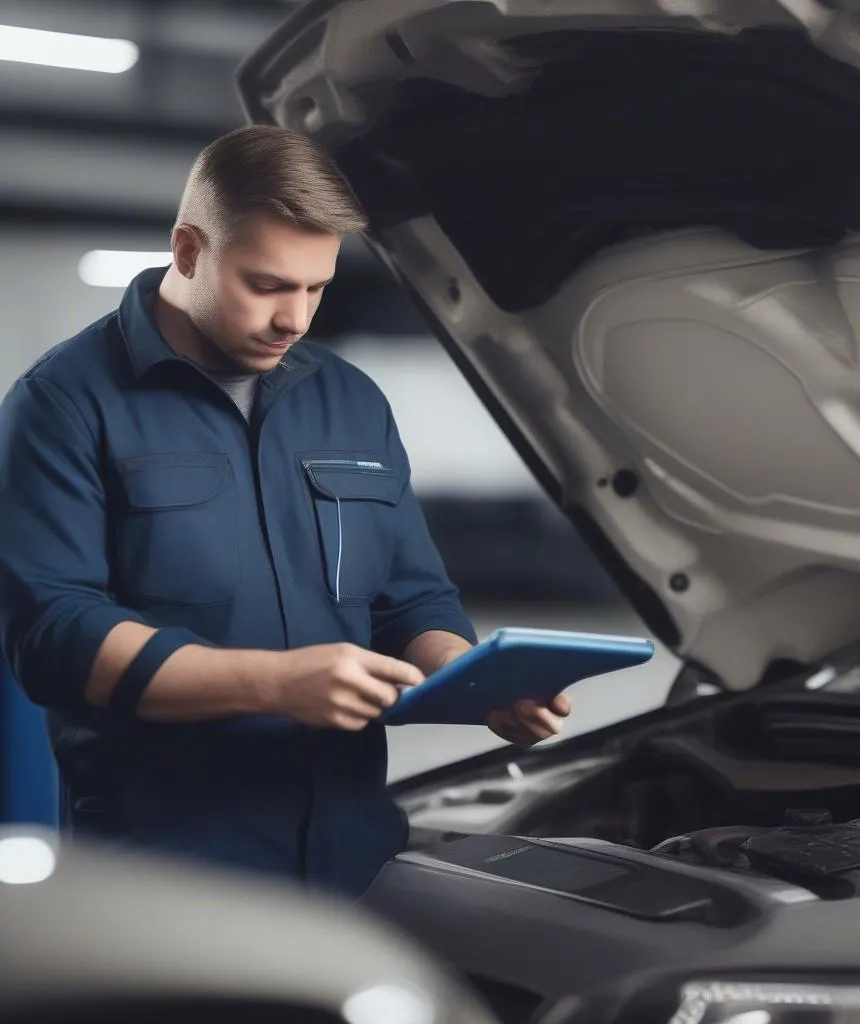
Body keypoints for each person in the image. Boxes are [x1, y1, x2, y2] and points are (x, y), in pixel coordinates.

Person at [0, 125, 572, 896]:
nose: (295, 318)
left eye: (317, 288)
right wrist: (273, 683)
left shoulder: (350, 400)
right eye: (267, 285)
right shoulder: (63, 403)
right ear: (190, 249)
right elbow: (54, 633)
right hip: (167, 871)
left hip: (354, 854)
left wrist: (471, 680)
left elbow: (411, 599)